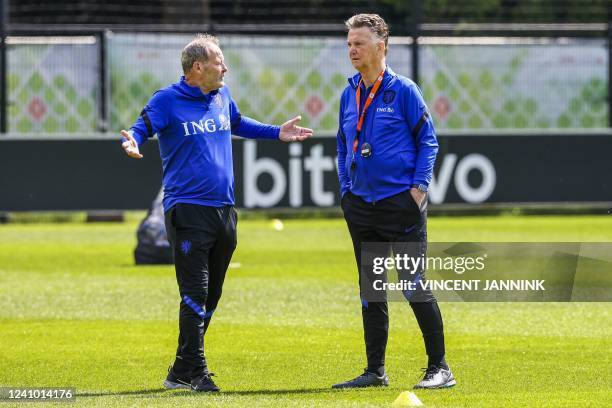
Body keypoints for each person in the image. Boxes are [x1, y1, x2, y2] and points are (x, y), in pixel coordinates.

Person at [120, 34, 313, 392]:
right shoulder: (167, 100)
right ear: (198, 67)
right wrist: (131, 140)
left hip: (224, 210)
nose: (225, 67)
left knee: (212, 295)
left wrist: (277, 133)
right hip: (187, 209)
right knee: (195, 292)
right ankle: (198, 373)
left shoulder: (221, 96)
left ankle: (179, 369)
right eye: (218, 61)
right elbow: (140, 127)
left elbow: (237, 123)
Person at [333, 14, 455, 389]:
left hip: (399, 205)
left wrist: (418, 189)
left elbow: (428, 141)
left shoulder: (403, 90)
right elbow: (341, 145)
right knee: (371, 288)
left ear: (381, 47)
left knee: (413, 283)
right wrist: (345, 188)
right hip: (361, 205)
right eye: (350, 43)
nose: (352, 49)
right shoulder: (348, 93)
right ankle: (375, 371)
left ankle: (440, 368)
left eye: (360, 43)